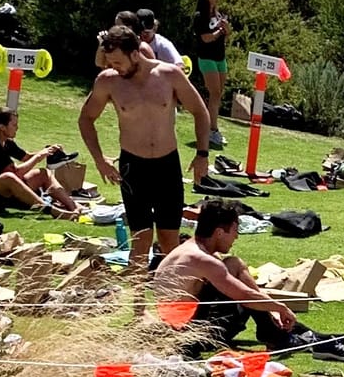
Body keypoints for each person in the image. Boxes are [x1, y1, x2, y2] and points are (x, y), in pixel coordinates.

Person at [78, 25, 210, 273]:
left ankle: (172, 304)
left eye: (118, 61)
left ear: (135, 54)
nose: (114, 67)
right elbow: (86, 119)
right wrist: (99, 160)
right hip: (133, 166)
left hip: (167, 165)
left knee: (170, 240)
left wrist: (202, 153)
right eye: (110, 62)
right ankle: (137, 308)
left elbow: (200, 111)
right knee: (140, 240)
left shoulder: (169, 75)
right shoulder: (108, 82)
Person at [153, 198, 304, 349]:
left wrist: (271, 308)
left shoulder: (192, 249)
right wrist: (280, 307)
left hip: (183, 325)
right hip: (190, 336)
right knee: (237, 275)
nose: (236, 237)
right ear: (219, 232)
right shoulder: (202, 259)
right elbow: (244, 295)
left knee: (233, 264)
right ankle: (275, 335)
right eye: (234, 231)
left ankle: (273, 329)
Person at [0, 108, 82, 219]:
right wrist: (38, 156)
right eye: (14, 125)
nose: (17, 128)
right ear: (2, 127)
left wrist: (48, 151)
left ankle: (73, 207)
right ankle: (51, 210)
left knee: (44, 173)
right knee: (8, 177)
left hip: (3, 192)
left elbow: (26, 157)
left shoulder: (6, 142)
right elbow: (16, 174)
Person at [189, 0, 232, 148]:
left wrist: (225, 29)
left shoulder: (218, 14)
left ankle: (212, 127)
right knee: (214, 92)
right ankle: (212, 129)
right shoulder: (200, 16)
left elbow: (226, 34)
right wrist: (220, 32)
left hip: (220, 57)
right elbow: (206, 38)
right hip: (207, 58)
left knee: (218, 93)